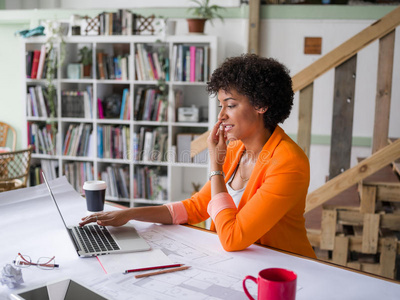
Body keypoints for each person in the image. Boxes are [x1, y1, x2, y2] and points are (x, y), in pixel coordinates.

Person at [80, 54, 316, 258]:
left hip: (285, 272)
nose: (221, 115)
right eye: (220, 106)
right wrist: (129, 214)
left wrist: (215, 166)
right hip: (242, 265)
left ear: (261, 105)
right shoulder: (235, 148)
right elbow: (194, 208)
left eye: (230, 105)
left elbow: (233, 237)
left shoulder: (287, 163)